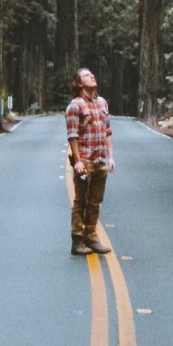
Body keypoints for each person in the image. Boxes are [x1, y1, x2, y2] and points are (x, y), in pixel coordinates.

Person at [65, 67, 113, 252]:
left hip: (100, 160)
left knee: (95, 202)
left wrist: (110, 157)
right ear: (79, 83)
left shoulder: (102, 103)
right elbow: (72, 135)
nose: (92, 76)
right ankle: (77, 240)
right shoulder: (75, 106)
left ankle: (91, 237)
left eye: (92, 74)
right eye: (86, 75)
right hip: (85, 160)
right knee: (81, 202)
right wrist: (77, 161)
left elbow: (108, 131)